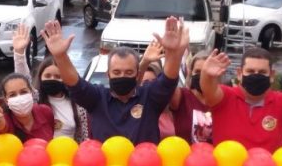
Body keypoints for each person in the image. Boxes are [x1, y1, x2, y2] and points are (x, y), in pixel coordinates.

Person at [41, 17, 187, 144]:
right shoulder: (97, 98)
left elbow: (168, 79)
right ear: (108, 74)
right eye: (116, 72)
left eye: (128, 72)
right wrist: (60, 56)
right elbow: (74, 82)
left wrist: (173, 53)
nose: (122, 76)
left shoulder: (150, 97)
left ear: (137, 75)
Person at [0, 72, 55, 142]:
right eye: (12, 95)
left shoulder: (45, 111)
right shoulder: (4, 119)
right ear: (6, 100)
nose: (19, 98)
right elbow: (2, 129)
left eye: (23, 92)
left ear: (31, 93)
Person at [170, 51, 212, 143]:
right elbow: (168, 81)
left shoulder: (223, 99)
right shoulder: (182, 96)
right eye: (197, 71)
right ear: (191, 73)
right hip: (185, 155)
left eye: (206, 71)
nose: (202, 76)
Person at [140, 61, 176, 139]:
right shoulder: (135, 113)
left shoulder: (173, 107)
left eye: (153, 82)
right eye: (145, 82)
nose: (149, 87)